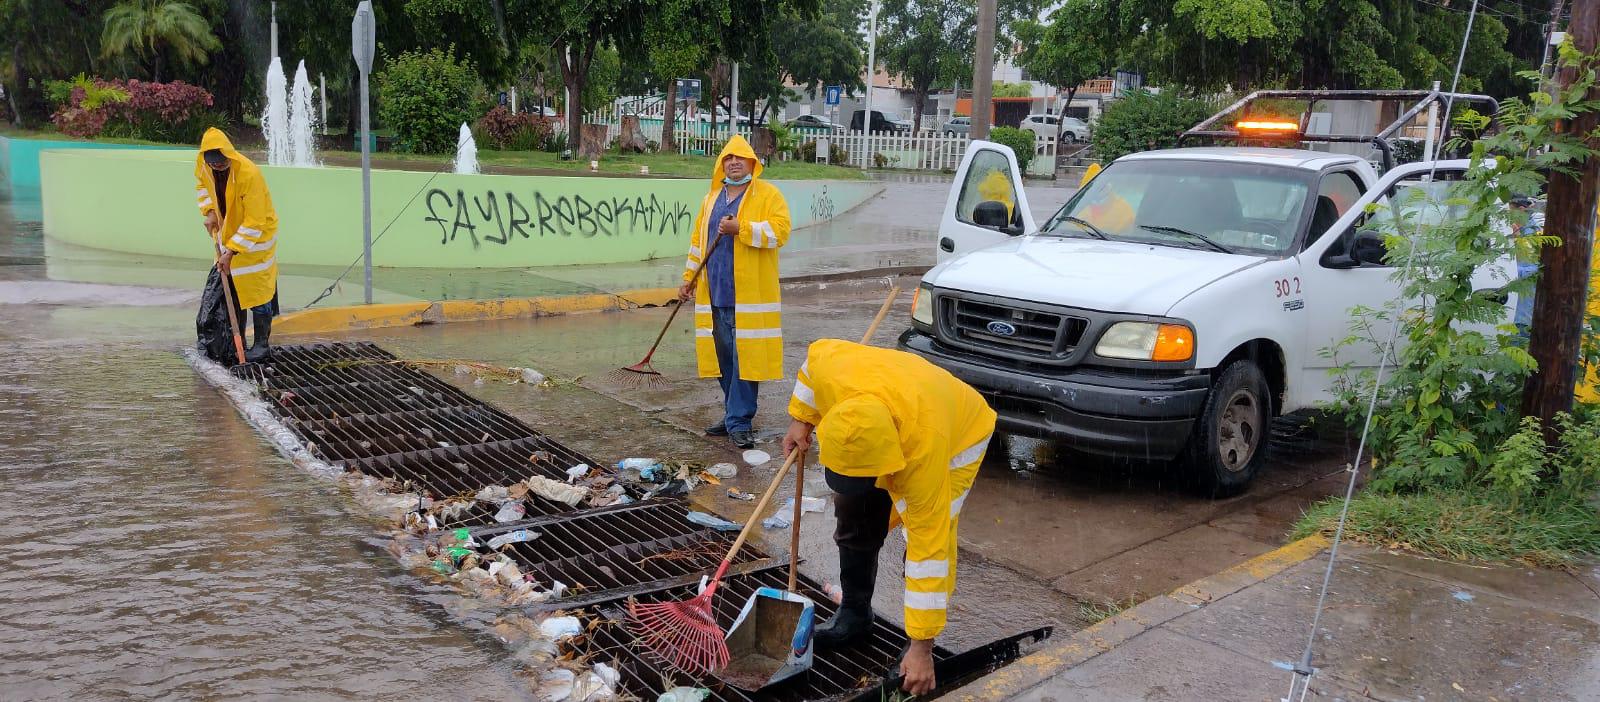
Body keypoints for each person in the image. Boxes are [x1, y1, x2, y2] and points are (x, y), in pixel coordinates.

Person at [781, 339, 997, 696]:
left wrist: (923, 648)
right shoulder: (830, 366)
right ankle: (854, 613)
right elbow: (809, 370)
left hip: (958, 433)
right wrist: (801, 419)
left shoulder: (926, 452)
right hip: (891, 402)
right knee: (853, 510)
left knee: (923, 536)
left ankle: (917, 645)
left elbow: (931, 552)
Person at [678, 136, 790, 449]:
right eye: (728, 158)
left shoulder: (768, 195)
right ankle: (732, 412)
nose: (734, 163)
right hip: (714, 292)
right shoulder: (712, 198)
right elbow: (698, 243)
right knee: (723, 358)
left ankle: (740, 419)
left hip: (749, 298)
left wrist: (742, 228)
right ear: (721, 164)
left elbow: (780, 232)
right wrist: (688, 279)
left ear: (753, 163)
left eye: (740, 158)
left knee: (745, 359)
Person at [195, 127, 279, 362]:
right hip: (229, 232)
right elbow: (202, 187)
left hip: (257, 238)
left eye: (222, 165)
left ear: (228, 156)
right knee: (234, 290)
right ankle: (237, 342)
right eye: (215, 166)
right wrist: (210, 212)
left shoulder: (248, 174)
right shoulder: (204, 165)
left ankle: (261, 345)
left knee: (257, 291)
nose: (218, 168)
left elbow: (255, 220)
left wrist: (232, 250)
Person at [1509, 194, 1543, 337]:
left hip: (1526, 304)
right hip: (1523, 303)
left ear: (1522, 210)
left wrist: (1516, 239)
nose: (1509, 216)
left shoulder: (1532, 231)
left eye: (1511, 212)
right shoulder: (1524, 229)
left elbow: (1529, 266)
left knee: (1521, 335)